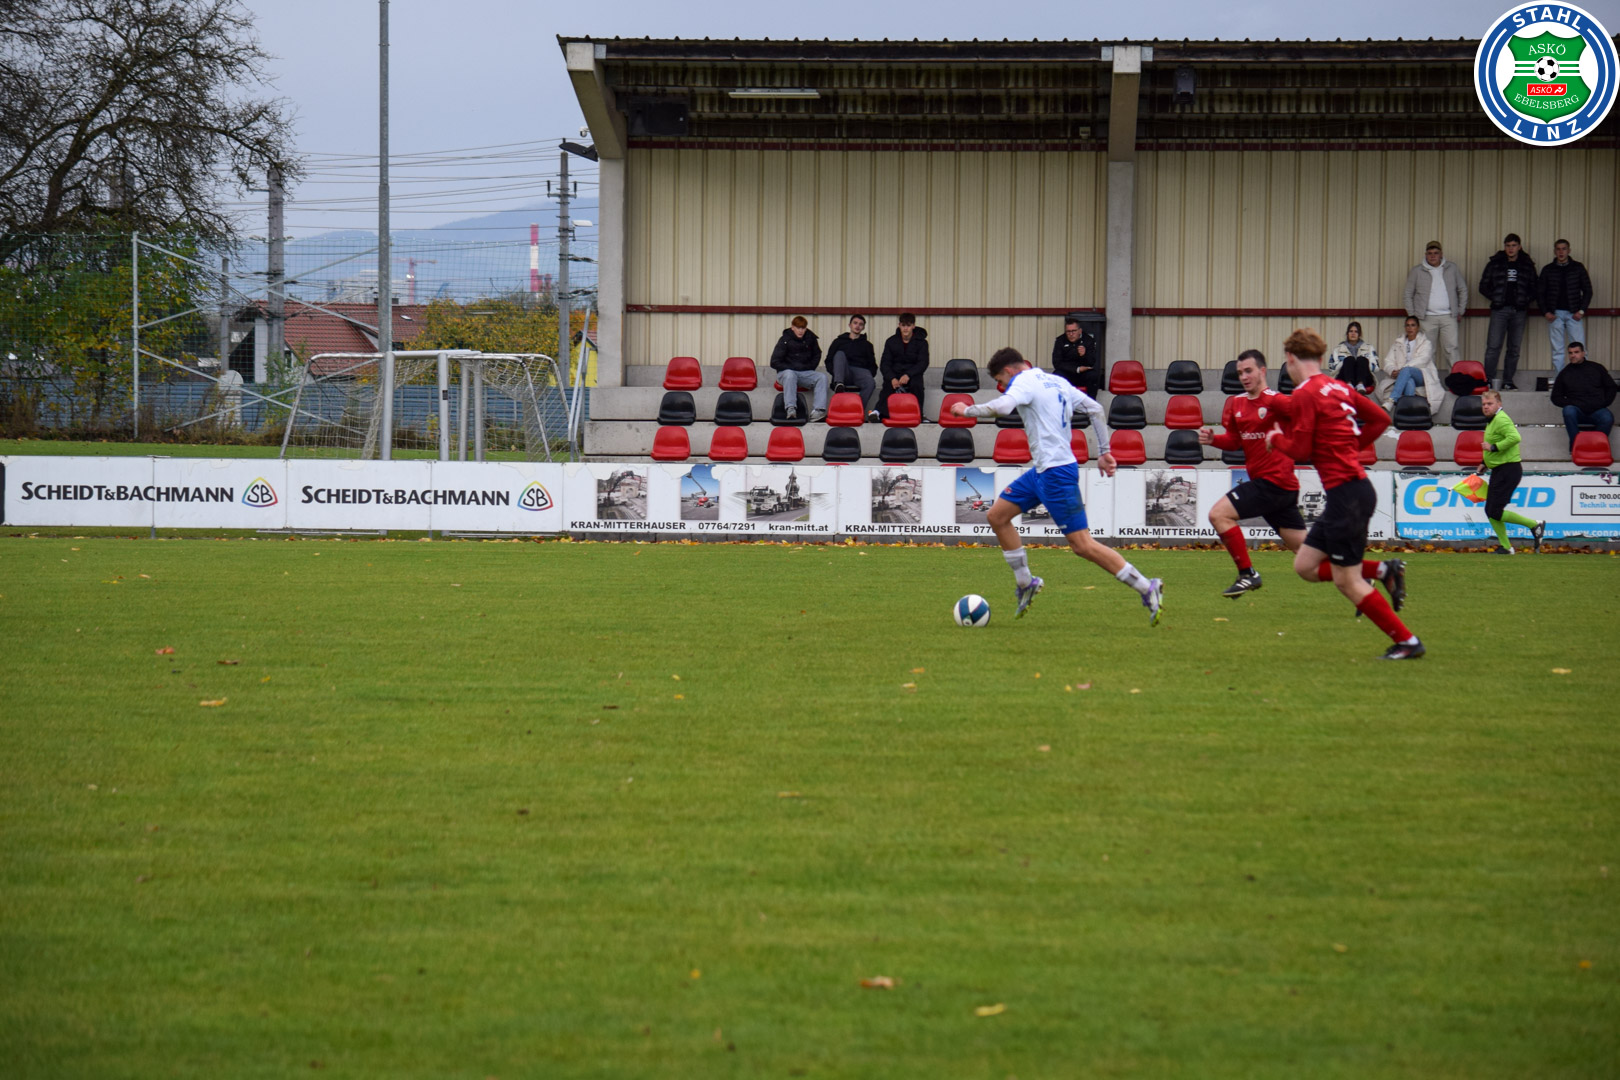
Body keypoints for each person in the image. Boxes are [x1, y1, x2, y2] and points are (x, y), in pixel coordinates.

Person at [949, 347, 1164, 624]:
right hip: (1041, 471)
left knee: (1083, 545)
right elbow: (1096, 409)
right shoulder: (1057, 381)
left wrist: (966, 410)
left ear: (1009, 371)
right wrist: (1104, 451)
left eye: (1001, 381)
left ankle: (1147, 586)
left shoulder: (1023, 381)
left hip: (1057, 473)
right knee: (997, 516)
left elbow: (1002, 407)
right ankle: (1026, 582)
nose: (1003, 387)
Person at [1264, 328, 1425, 660]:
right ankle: (1384, 571)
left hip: (1347, 496)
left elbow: (1301, 450)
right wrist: (1353, 447)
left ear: (1290, 358)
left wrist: (1276, 438)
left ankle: (1408, 641)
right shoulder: (1338, 386)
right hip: (1351, 493)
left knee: (1347, 581)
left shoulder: (1305, 393)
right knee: (1305, 565)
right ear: (1322, 358)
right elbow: (1380, 418)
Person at [1200, 348, 1405, 604]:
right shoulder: (1236, 404)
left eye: (1249, 371)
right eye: (1240, 372)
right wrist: (1214, 440)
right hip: (1279, 490)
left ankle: (1247, 573)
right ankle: (1379, 571)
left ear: (1262, 371)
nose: (1244, 376)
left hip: (1274, 482)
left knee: (1218, 515)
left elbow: (1309, 422)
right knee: (1307, 556)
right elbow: (1234, 441)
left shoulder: (1279, 401)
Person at [1478, 389, 1547, 555]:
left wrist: (1493, 448)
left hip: (1508, 470)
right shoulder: (1492, 420)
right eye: (1484, 404)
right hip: (1500, 469)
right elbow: (1496, 441)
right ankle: (1506, 547)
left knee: (1494, 511)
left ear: (1499, 404)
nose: (1486, 407)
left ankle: (1533, 525)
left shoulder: (1501, 419)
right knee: (1491, 511)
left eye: (1490, 403)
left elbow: (1515, 437)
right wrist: (1485, 462)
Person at [1478, 233, 1538, 390]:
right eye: (1508, 245)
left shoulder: (1527, 264)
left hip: (1519, 311)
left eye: (1513, 245)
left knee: (1514, 348)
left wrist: (1524, 300)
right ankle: (1488, 379)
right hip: (1499, 310)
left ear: (1519, 247)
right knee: (1493, 346)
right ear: (1504, 247)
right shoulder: (1495, 263)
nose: (1511, 249)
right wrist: (1496, 298)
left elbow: (1535, 287)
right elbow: (1483, 286)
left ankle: (1508, 381)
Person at [1403, 241, 1469, 371]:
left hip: (1449, 316)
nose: (1433, 256)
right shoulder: (1417, 271)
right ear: (1425, 255)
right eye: (1430, 253)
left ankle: (1456, 379)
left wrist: (1460, 310)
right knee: (1427, 350)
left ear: (1441, 254)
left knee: (1452, 349)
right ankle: (1430, 380)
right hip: (1426, 318)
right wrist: (1413, 315)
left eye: (1436, 253)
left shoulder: (1452, 268)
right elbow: (1408, 293)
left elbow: (1462, 289)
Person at [1538, 239, 1593, 374]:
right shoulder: (1548, 269)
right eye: (1558, 249)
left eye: (1564, 249)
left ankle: (1582, 378)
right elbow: (1540, 293)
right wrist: (1546, 312)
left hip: (1574, 313)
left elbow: (1588, 290)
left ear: (1569, 250)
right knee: (1557, 350)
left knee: (1579, 347)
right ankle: (1560, 378)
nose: (1561, 252)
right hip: (1554, 314)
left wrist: (1581, 311)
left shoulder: (1578, 268)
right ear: (1554, 251)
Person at [1549, 342, 1616, 448]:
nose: (1573, 355)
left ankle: (1595, 446)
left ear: (1583, 353)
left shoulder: (1597, 368)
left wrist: (1603, 403)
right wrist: (1573, 403)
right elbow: (1555, 397)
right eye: (1570, 353)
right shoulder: (1565, 373)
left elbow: (1611, 387)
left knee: (1607, 418)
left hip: (1597, 410)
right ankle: (1577, 447)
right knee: (1568, 411)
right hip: (1577, 412)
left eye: (1576, 352)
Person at [769, 316, 827, 422]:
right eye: (798, 328)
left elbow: (817, 354)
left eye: (803, 328)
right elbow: (774, 362)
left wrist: (809, 367)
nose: (801, 331)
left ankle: (818, 411)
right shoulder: (785, 340)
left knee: (822, 377)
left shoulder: (811, 338)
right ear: (792, 327)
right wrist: (792, 367)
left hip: (804, 373)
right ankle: (790, 408)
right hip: (785, 374)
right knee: (790, 374)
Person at [1382, 316, 1440, 415]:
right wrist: (1392, 371)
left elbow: (1423, 359)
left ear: (1418, 327)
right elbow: (1388, 361)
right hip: (1403, 376)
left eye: (1413, 325)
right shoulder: (1398, 343)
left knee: (1407, 370)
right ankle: (1409, 412)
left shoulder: (1426, 343)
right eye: (1407, 325)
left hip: (1422, 375)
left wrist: (1402, 370)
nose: (1410, 328)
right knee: (1409, 381)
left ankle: (1391, 400)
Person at [826, 314, 879, 420]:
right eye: (855, 323)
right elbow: (829, 361)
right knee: (839, 354)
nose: (857, 326)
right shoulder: (838, 342)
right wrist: (836, 373)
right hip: (843, 372)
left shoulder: (867, 345)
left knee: (870, 382)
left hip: (860, 372)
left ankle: (857, 409)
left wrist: (867, 374)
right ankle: (839, 384)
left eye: (861, 324)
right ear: (850, 325)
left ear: (863, 327)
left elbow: (873, 365)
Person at [879, 313, 929, 422]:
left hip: (913, 374)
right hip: (895, 373)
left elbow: (923, 363)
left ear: (913, 326)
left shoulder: (922, 343)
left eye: (908, 325)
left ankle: (918, 414)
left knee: (917, 384)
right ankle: (882, 414)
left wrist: (908, 375)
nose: (906, 328)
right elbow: (885, 363)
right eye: (903, 325)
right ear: (899, 325)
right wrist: (892, 378)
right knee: (888, 384)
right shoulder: (891, 341)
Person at [1050, 316, 1102, 398]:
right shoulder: (1060, 341)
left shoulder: (1088, 340)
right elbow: (1057, 363)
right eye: (1068, 331)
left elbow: (1092, 362)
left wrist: (1085, 355)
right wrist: (1077, 369)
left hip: (1083, 374)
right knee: (1056, 375)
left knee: (1093, 375)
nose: (1071, 334)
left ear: (1080, 331)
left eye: (1073, 331)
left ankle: (1090, 403)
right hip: (1067, 373)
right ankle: (1060, 403)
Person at [1325, 322, 1380, 394]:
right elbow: (1332, 369)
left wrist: (1364, 362)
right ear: (1347, 333)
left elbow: (1376, 368)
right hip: (1344, 378)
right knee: (1349, 359)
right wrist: (1346, 362)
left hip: (1365, 379)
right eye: (1351, 331)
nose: (1353, 334)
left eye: (1356, 331)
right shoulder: (1338, 349)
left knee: (1361, 359)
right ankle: (1349, 385)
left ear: (1359, 334)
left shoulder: (1369, 348)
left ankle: (1360, 384)